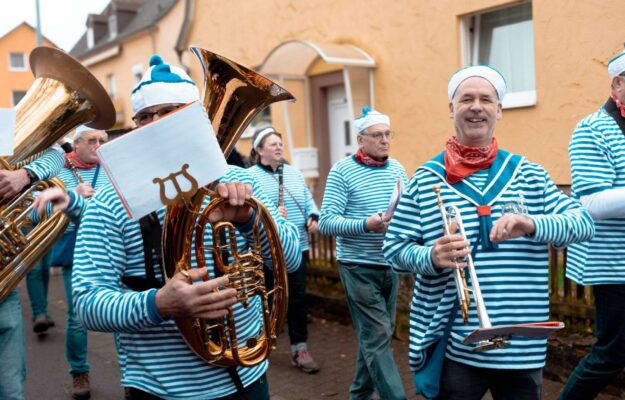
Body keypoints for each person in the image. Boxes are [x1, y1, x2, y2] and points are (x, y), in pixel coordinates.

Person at [69, 55, 301, 400]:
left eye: (170, 111)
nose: (155, 124)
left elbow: (292, 260)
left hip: (248, 376)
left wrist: (250, 219)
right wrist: (160, 303)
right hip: (160, 389)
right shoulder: (109, 200)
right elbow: (86, 303)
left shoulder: (238, 180)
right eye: (145, 116)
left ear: (196, 118)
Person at [382, 65, 595, 400]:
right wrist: (431, 256)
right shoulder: (425, 178)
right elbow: (393, 250)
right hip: (457, 343)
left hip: (521, 345)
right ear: (452, 109)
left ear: (499, 110)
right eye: (466, 99)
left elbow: (583, 224)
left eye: (486, 99)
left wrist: (533, 224)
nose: (476, 106)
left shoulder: (529, 174)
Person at [319, 108, 408, 400]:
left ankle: (359, 395)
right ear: (360, 139)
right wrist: (366, 224)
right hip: (357, 267)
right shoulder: (342, 171)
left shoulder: (396, 169)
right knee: (379, 336)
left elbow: (405, 212)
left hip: (390, 265)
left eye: (388, 134)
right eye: (377, 135)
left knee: (375, 337)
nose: (385, 140)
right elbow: (326, 222)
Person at [560, 46, 625, 399]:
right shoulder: (592, 130)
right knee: (611, 355)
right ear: (618, 83)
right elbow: (592, 202)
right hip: (613, 264)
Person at [30, 126, 109, 400]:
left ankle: (135, 377)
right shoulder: (60, 172)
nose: (99, 145)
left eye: (103, 140)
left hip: (112, 247)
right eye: (92, 140)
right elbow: (38, 211)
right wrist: (71, 195)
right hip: (76, 249)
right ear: (76, 144)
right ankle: (79, 372)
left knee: (125, 319)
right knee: (78, 318)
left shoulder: (113, 169)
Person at [248, 126, 320, 373]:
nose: (279, 147)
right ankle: (259, 348)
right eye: (273, 144)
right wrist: (269, 216)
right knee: (264, 300)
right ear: (259, 150)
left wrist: (313, 216)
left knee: (298, 300)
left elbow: (309, 200)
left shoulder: (294, 174)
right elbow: (242, 213)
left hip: (297, 248)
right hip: (264, 253)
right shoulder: (249, 177)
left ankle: (299, 349)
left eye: (280, 143)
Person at [0, 147, 64, 400]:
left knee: (11, 390)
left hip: (3, 292)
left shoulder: (5, 135)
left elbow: (56, 155)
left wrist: (25, 175)